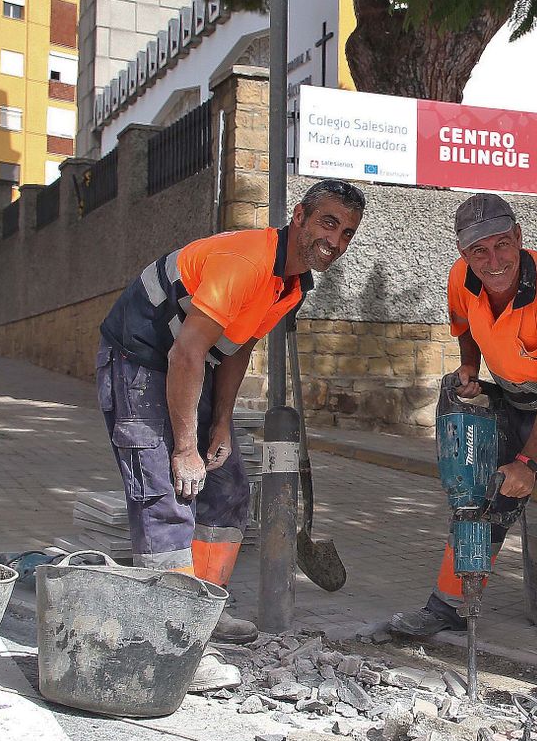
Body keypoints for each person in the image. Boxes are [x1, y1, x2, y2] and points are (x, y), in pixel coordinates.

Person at [95, 179, 365, 689]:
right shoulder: (246, 262)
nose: (336, 239)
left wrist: (219, 423)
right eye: (328, 222)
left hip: (186, 366)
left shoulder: (293, 284)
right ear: (301, 216)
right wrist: (182, 447)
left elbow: (237, 346)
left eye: (347, 232)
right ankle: (170, 642)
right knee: (167, 493)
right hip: (139, 361)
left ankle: (201, 612)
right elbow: (185, 352)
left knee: (229, 491)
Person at [386, 193, 537, 718]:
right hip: (514, 398)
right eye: (479, 251)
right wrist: (470, 369)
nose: (493, 260)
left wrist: (529, 464)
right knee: (478, 502)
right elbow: (465, 329)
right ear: (464, 253)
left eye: (502, 245)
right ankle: (450, 606)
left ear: (518, 238)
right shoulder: (462, 277)